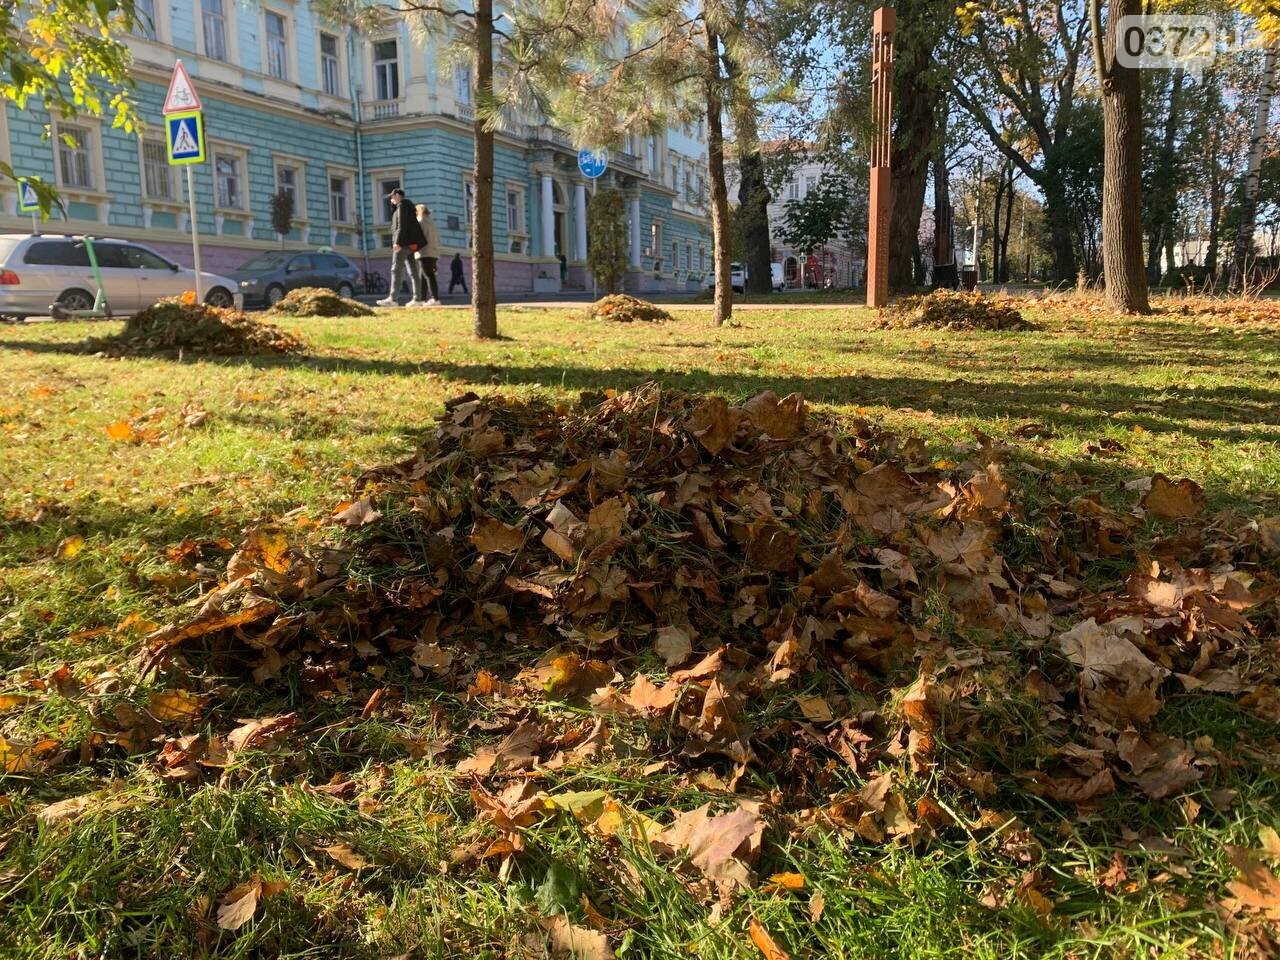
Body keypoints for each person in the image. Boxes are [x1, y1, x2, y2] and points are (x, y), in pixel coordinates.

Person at [377, 188, 426, 306]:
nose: (391, 199)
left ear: (398, 195)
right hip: (410, 243)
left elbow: (401, 226)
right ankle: (417, 299)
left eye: (392, 196)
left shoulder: (402, 206)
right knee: (413, 271)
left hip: (403, 243)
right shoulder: (406, 206)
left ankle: (392, 299)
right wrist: (393, 207)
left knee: (396, 269)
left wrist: (397, 242)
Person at [415, 203, 442, 306]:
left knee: (428, 275)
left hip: (424, 252)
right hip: (433, 253)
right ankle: (422, 299)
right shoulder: (432, 224)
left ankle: (435, 298)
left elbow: (417, 238)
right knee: (423, 276)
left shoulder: (420, 222)